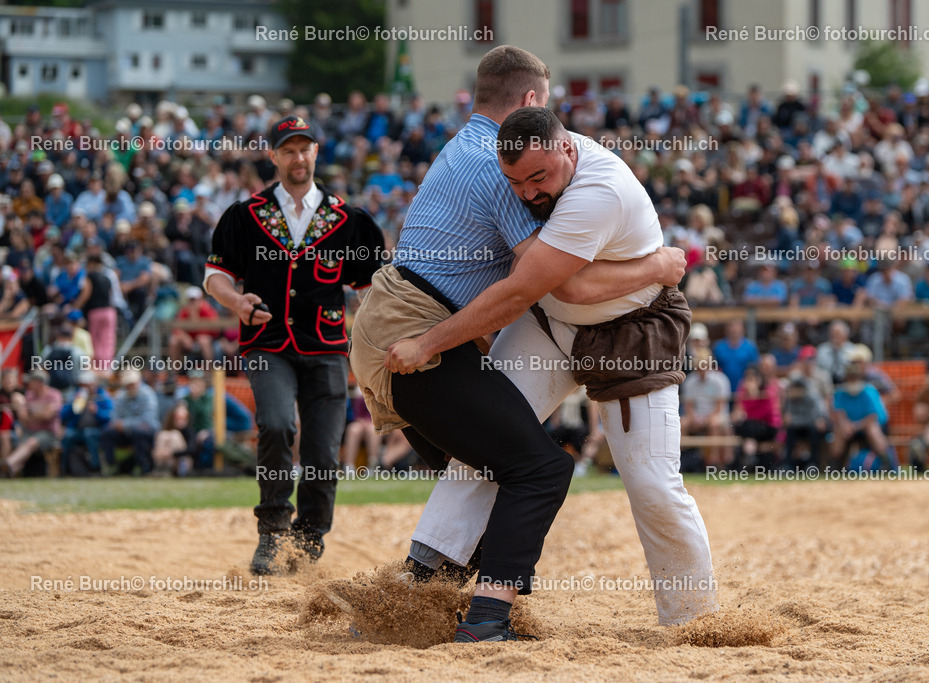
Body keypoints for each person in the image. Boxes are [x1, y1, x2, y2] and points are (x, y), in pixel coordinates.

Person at [377, 105, 714, 632]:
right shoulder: (531, 158)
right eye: (516, 181)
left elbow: (551, 287)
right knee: (489, 442)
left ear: (568, 149)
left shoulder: (597, 192)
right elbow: (564, 290)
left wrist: (426, 345)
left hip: (630, 331)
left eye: (539, 177)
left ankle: (695, 621)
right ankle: (421, 586)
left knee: (651, 482)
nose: (530, 192)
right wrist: (658, 263)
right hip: (551, 325)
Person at [204, 114, 386, 575]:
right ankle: (271, 531)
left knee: (325, 451)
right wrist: (236, 300)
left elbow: (370, 292)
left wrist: (379, 340)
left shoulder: (350, 220)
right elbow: (215, 276)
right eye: (288, 149)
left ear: (316, 153)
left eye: (305, 148)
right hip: (267, 341)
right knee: (278, 424)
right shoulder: (244, 215)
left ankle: (308, 539)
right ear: (274, 156)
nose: (298, 156)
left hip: (326, 346)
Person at [0, 370, 63, 477]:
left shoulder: (54, 395)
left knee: (31, 442)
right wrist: (39, 414)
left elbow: (47, 415)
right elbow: (22, 417)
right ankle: (8, 470)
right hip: (30, 430)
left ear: (39, 382)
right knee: (21, 444)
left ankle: (7, 464)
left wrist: (32, 416)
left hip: (48, 433)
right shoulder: (29, 395)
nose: (29, 383)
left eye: (31, 381)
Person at [100, 369, 160, 475]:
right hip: (125, 432)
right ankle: (111, 465)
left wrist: (125, 424)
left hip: (147, 430)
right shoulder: (120, 395)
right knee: (107, 432)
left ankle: (143, 465)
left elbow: (147, 419)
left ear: (138, 382)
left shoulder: (148, 394)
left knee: (139, 432)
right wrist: (121, 425)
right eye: (128, 384)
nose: (130, 387)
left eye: (132, 384)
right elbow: (114, 417)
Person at [60, 370, 113, 474]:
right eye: (82, 385)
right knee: (68, 435)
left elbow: (109, 417)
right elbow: (63, 415)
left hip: (99, 431)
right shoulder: (75, 395)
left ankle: (95, 467)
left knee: (89, 434)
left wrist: (97, 412)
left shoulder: (103, 396)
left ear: (94, 384)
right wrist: (73, 405)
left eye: (87, 385)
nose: (84, 388)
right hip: (78, 430)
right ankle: (65, 468)